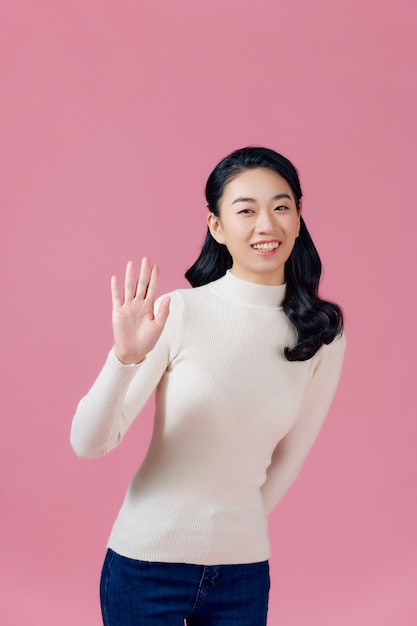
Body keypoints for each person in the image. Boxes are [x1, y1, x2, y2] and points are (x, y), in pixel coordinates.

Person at [70, 146, 346, 626]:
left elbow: (291, 455)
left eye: (281, 207)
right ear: (217, 227)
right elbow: (89, 443)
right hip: (145, 566)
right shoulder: (180, 313)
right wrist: (124, 359)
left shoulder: (322, 333)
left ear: (299, 219)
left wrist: (233, 531)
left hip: (243, 574)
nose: (267, 224)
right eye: (246, 210)